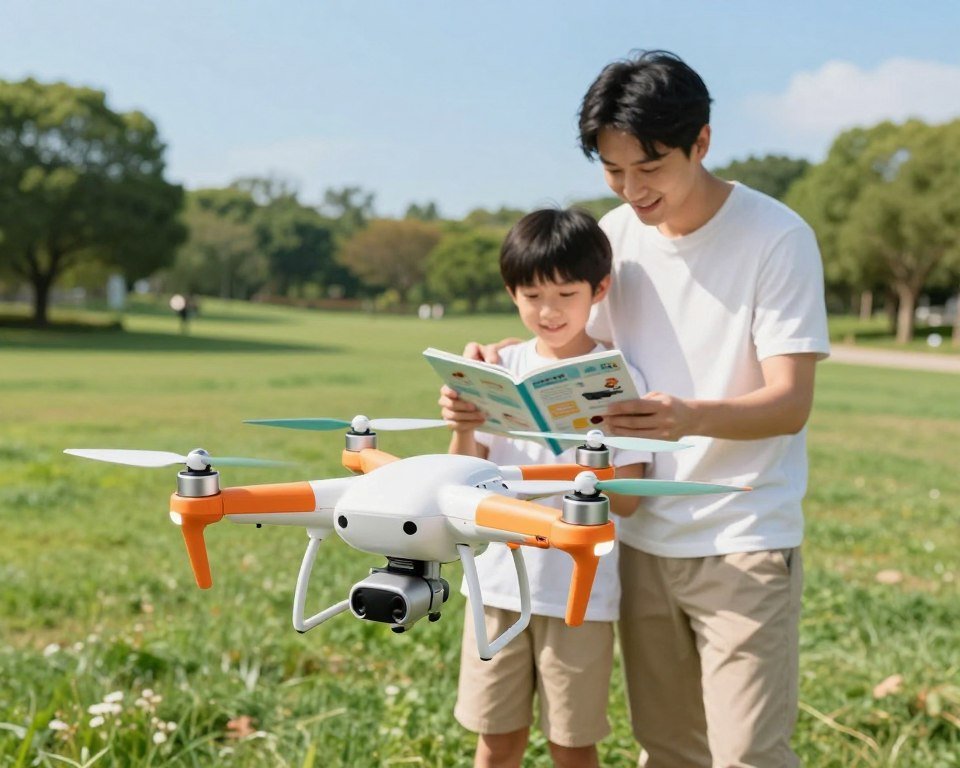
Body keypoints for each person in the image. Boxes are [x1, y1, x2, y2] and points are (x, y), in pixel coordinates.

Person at [444, 51, 830, 767]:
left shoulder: (777, 238)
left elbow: (790, 403)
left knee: (748, 752)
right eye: (613, 170)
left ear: (702, 142)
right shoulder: (616, 236)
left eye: (649, 167)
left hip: (741, 534)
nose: (631, 189)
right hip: (638, 537)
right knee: (669, 749)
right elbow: (577, 341)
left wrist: (688, 417)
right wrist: (504, 361)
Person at [441, 207, 649, 768]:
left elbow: (628, 500)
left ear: (598, 289)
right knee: (496, 738)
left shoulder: (619, 379)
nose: (548, 311)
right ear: (512, 293)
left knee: (572, 744)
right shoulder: (499, 364)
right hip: (496, 584)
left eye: (565, 294)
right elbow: (462, 483)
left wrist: (596, 448)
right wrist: (462, 427)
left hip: (578, 590)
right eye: (532, 295)